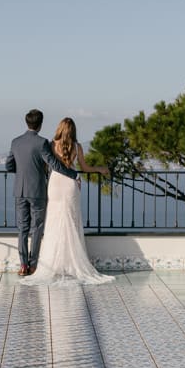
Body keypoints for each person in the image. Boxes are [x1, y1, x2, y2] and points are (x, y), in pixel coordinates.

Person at [22, 117, 113, 286]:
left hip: (56, 184)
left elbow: (45, 165)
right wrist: (100, 169)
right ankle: (72, 264)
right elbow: (85, 168)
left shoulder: (50, 145)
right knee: (71, 221)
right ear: (73, 130)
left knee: (54, 223)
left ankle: (53, 265)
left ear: (59, 129)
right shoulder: (77, 147)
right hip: (71, 184)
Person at [6, 109, 79, 276]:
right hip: (37, 191)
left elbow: (9, 166)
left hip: (19, 190)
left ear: (27, 123)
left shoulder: (15, 142)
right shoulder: (42, 143)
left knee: (22, 228)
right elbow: (55, 164)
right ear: (40, 124)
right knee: (37, 228)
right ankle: (33, 265)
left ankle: (23, 265)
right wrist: (74, 174)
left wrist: (23, 171)